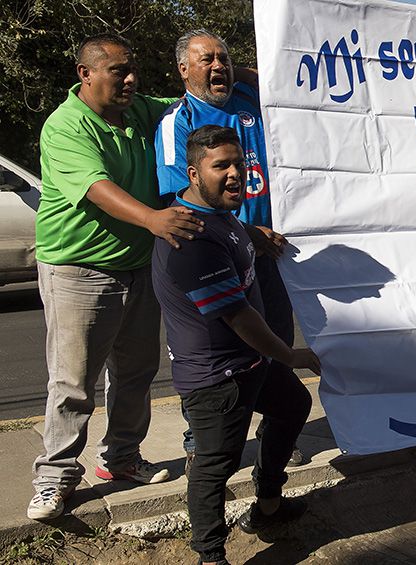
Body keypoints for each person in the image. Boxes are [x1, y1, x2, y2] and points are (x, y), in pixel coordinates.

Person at [28, 33, 204, 521]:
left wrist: (240, 74)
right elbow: (97, 188)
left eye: (133, 71)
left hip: (138, 264)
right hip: (78, 267)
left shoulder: (142, 110)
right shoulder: (65, 127)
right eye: (117, 72)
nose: (129, 80)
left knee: (136, 372)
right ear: (85, 75)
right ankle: (55, 479)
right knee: (74, 382)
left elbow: (199, 100)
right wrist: (153, 219)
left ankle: (122, 460)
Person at [153, 125, 319, 564]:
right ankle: (210, 555)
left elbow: (233, 237)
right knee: (214, 466)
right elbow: (238, 315)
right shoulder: (189, 239)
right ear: (192, 173)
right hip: (216, 378)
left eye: (239, 165)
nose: (234, 175)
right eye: (220, 166)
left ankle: (267, 507)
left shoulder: (221, 217)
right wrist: (291, 355)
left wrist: (252, 234)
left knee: (293, 407)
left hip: (250, 363)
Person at [155, 29, 304, 473]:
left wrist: (250, 72)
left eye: (224, 58)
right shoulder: (175, 121)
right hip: (216, 253)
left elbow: (285, 83)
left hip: (267, 254)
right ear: (184, 69)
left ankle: (275, 431)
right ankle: (199, 439)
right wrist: (245, 232)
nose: (218, 66)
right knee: (216, 348)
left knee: (273, 338)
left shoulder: (247, 97)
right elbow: (177, 200)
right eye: (206, 60)